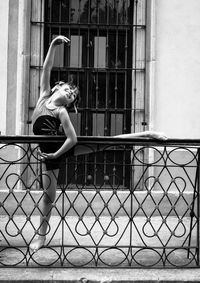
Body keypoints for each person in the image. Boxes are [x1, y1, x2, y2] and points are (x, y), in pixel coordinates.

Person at [30, 35, 167, 252]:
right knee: (48, 198)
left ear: (70, 103)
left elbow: (72, 139)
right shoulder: (43, 97)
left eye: (73, 96)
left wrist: (57, 155)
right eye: (69, 89)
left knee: (107, 143)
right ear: (58, 87)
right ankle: (41, 237)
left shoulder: (62, 111)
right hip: (48, 155)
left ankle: (147, 133)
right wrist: (53, 44)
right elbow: (46, 68)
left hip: (60, 150)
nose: (71, 94)